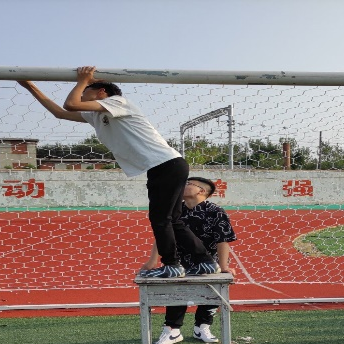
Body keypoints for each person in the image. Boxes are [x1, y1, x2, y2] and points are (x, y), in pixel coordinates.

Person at [17, 66, 217, 279]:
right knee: (171, 219)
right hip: (164, 165)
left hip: (166, 164)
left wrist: (83, 80)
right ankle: (205, 262)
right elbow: (60, 112)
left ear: (101, 92)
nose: (82, 95)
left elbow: (71, 104)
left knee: (161, 219)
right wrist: (30, 86)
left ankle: (172, 265)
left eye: (86, 91)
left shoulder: (118, 102)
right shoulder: (97, 115)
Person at [142, 177, 237, 344]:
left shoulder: (216, 212)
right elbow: (162, 237)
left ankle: (202, 327)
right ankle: (172, 330)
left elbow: (223, 240)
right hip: (179, 263)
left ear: (201, 191)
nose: (184, 186)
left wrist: (223, 267)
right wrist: (152, 261)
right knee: (177, 293)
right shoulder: (175, 211)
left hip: (209, 264)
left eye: (188, 184)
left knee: (211, 293)